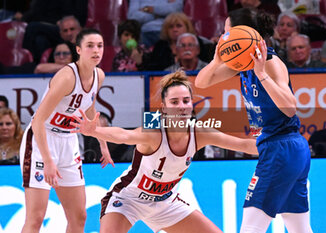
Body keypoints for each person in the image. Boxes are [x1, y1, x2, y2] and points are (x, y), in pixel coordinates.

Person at [71, 70, 258, 233]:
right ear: (164, 107)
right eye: (174, 102)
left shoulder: (199, 132)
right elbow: (124, 135)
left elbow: (243, 145)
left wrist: (278, 143)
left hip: (165, 202)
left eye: (186, 101)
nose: (182, 106)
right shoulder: (154, 129)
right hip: (128, 199)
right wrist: (95, 131)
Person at [195, 8, 313, 233]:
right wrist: (216, 59)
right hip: (284, 150)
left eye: (227, 31)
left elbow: (290, 108)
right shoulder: (241, 64)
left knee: (251, 228)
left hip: (281, 148)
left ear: (242, 33)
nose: (223, 36)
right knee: (300, 229)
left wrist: (262, 75)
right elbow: (202, 82)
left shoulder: (269, 62)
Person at [19, 28, 114, 233]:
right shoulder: (67, 77)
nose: (96, 50)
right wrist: (48, 160)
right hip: (41, 140)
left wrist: (103, 144)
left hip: (68, 141)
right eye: (90, 46)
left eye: (100, 46)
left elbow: (90, 110)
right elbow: (38, 121)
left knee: (79, 216)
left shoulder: (99, 75)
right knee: (36, 218)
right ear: (78, 50)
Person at [144, 12, 215, 71]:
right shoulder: (160, 47)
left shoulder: (199, 43)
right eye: (171, 27)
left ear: (187, 27)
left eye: (178, 26)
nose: (175, 29)